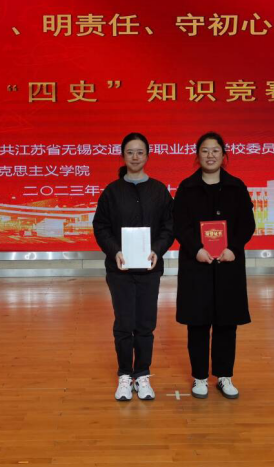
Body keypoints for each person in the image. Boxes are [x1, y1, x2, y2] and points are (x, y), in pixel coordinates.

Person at [173, 132, 256, 399]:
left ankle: (224, 376)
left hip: (228, 264)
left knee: (226, 322)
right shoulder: (187, 188)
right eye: (205, 151)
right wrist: (196, 249)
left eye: (215, 150)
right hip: (196, 264)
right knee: (197, 323)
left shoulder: (236, 187)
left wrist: (234, 248)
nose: (210, 155)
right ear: (197, 156)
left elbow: (247, 224)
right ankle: (199, 378)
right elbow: (180, 225)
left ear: (224, 155)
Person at [93, 133, 175, 402]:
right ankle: (125, 375)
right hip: (120, 270)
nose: (135, 157)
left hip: (150, 269)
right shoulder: (112, 192)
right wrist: (115, 251)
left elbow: (169, 226)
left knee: (146, 324)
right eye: (130, 152)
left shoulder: (159, 191)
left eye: (140, 152)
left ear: (147, 156)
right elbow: (101, 226)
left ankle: (142, 374)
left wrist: (157, 250)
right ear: (123, 156)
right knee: (124, 323)